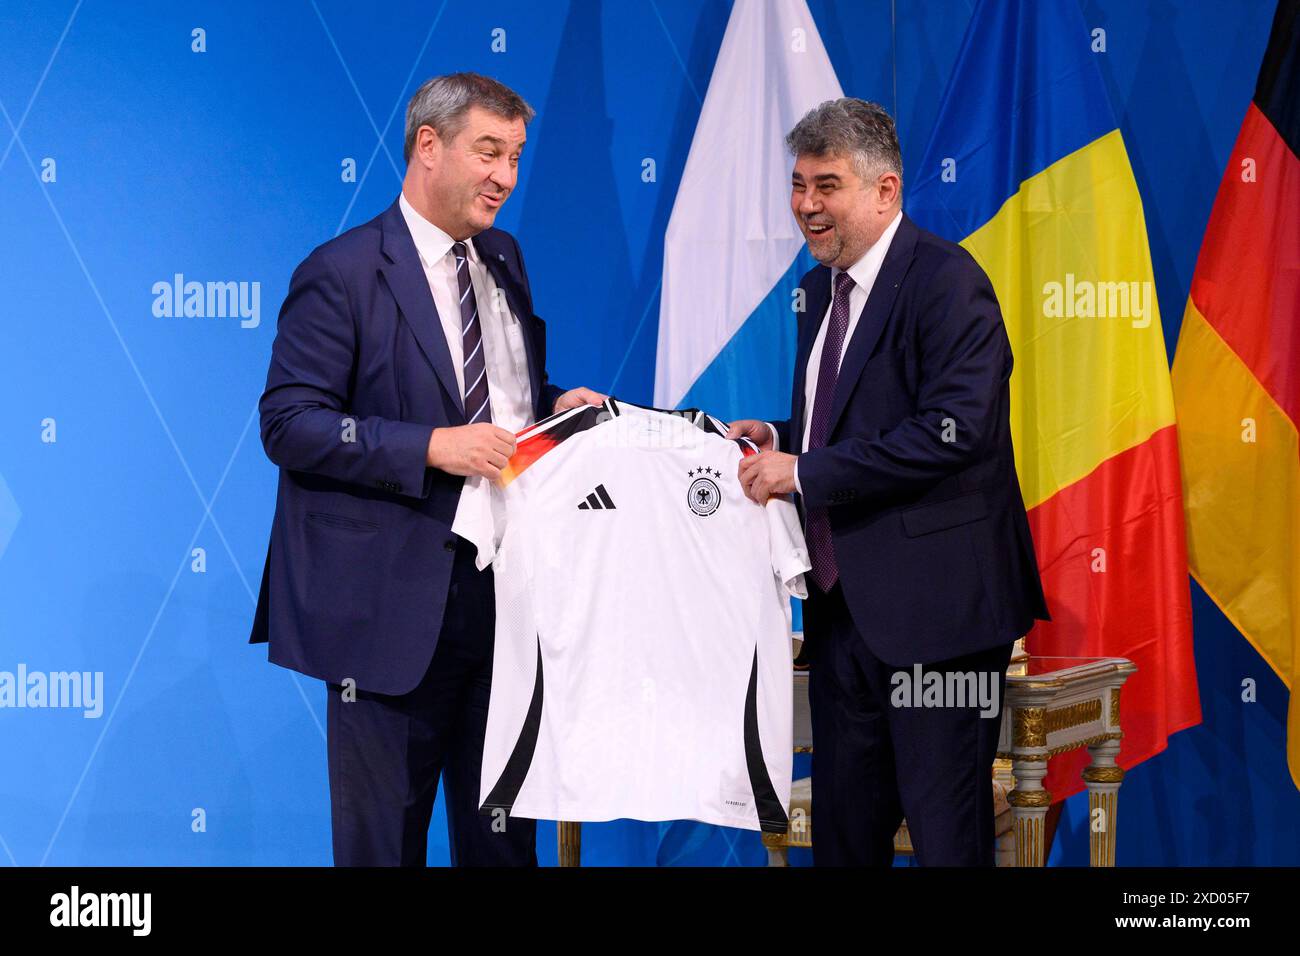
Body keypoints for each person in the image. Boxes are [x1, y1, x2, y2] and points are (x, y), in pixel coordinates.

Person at [249, 72, 604, 866]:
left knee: (504, 848)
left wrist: (552, 405)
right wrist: (430, 446)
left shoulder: (506, 257)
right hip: (388, 615)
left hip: (508, 607)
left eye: (515, 156)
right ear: (428, 146)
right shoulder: (341, 272)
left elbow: (496, 393)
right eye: (489, 152)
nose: (505, 177)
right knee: (384, 849)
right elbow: (289, 422)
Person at [729, 98, 1049, 866]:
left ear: (886, 189)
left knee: (946, 838)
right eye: (799, 184)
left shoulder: (947, 282)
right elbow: (846, 424)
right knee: (845, 839)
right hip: (844, 618)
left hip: (941, 621)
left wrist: (802, 471)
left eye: (827, 185)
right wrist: (780, 437)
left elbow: (953, 431)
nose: (807, 205)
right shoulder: (816, 294)